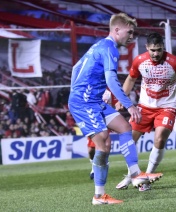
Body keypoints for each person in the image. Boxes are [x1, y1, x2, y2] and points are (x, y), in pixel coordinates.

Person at [68, 13, 163, 205]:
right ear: (117, 29)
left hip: (93, 100)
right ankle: (98, 196)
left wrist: (77, 88)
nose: (131, 36)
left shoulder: (99, 46)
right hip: (84, 102)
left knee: (125, 128)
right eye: (129, 31)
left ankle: (135, 173)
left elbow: (75, 68)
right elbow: (111, 80)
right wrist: (129, 105)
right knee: (103, 143)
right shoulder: (109, 48)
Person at [115, 32, 176, 191]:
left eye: (159, 50)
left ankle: (146, 179)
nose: (156, 53)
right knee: (129, 140)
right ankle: (132, 176)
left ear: (164, 48)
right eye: (153, 50)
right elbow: (131, 78)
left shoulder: (174, 62)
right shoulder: (140, 61)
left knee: (159, 138)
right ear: (147, 47)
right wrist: (123, 98)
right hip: (144, 106)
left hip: (167, 106)